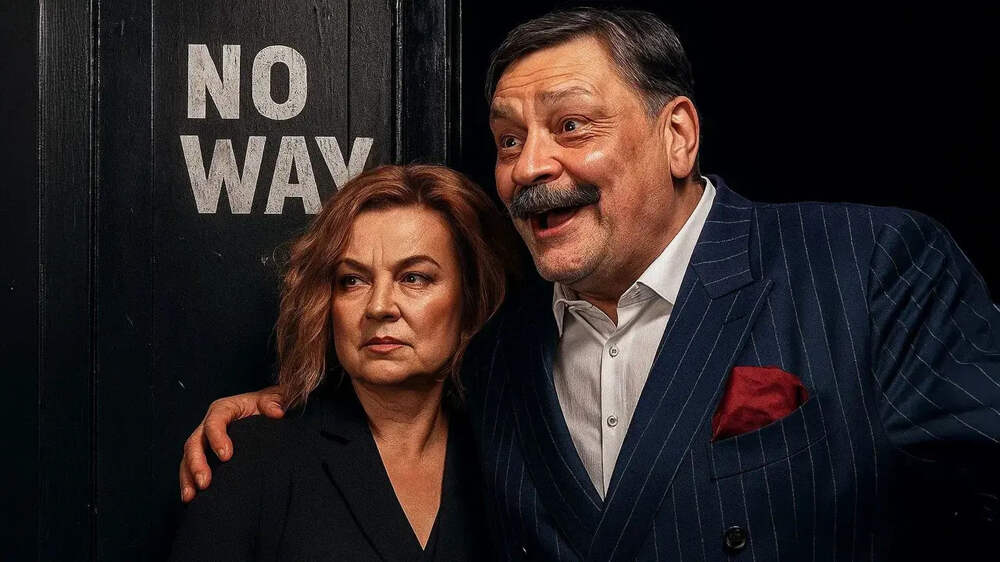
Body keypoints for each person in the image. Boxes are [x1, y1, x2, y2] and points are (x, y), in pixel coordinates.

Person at [178, 8, 1000, 560]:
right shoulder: (500, 353)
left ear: (677, 137)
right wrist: (283, 405)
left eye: (571, 125)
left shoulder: (867, 264)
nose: (530, 166)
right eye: (508, 139)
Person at [170, 164, 513, 560]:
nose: (379, 306)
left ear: (469, 301)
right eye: (353, 280)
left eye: (414, 278)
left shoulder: (507, 454)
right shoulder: (250, 457)